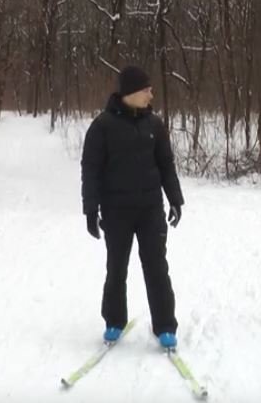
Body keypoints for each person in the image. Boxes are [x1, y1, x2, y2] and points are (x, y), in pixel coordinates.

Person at [81, 66, 184, 348]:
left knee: (156, 267)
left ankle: (165, 326)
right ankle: (114, 321)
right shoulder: (102, 126)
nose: (152, 93)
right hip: (116, 211)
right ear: (131, 93)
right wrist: (90, 209)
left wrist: (175, 199)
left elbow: (166, 165)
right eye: (146, 89)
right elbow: (91, 169)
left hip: (150, 209)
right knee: (117, 268)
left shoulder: (155, 125)